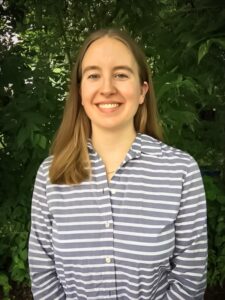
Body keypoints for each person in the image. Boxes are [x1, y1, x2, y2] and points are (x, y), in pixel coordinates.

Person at [28, 28, 208, 300]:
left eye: (121, 74)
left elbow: (189, 281)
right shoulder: (51, 175)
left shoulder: (181, 172)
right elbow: (43, 278)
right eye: (93, 75)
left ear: (142, 90)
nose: (107, 88)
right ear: (80, 91)